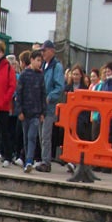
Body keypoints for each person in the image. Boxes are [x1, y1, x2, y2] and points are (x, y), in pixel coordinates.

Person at [16, 49, 47, 172]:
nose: (39, 63)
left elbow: (43, 95)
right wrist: (19, 111)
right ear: (32, 60)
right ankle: (26, 159)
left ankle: (29, 160)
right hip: (25, 111)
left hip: (36, 112)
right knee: (26, 138)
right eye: (38, 60)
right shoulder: (24, 75)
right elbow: (19, 93)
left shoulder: (40, 76)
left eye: (41, 61)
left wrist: (43, 112)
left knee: (32, 136)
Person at [39, 39, 64, 171]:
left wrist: (50, 97)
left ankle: (46, 161)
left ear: (51, 51)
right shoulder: (44, 65)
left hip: (49, 107)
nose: (42, 53)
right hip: (41, 106)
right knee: (41, 134)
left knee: (46, 135)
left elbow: (59, 87)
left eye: (44, 50)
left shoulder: (56, 66)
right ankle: (43, 159)